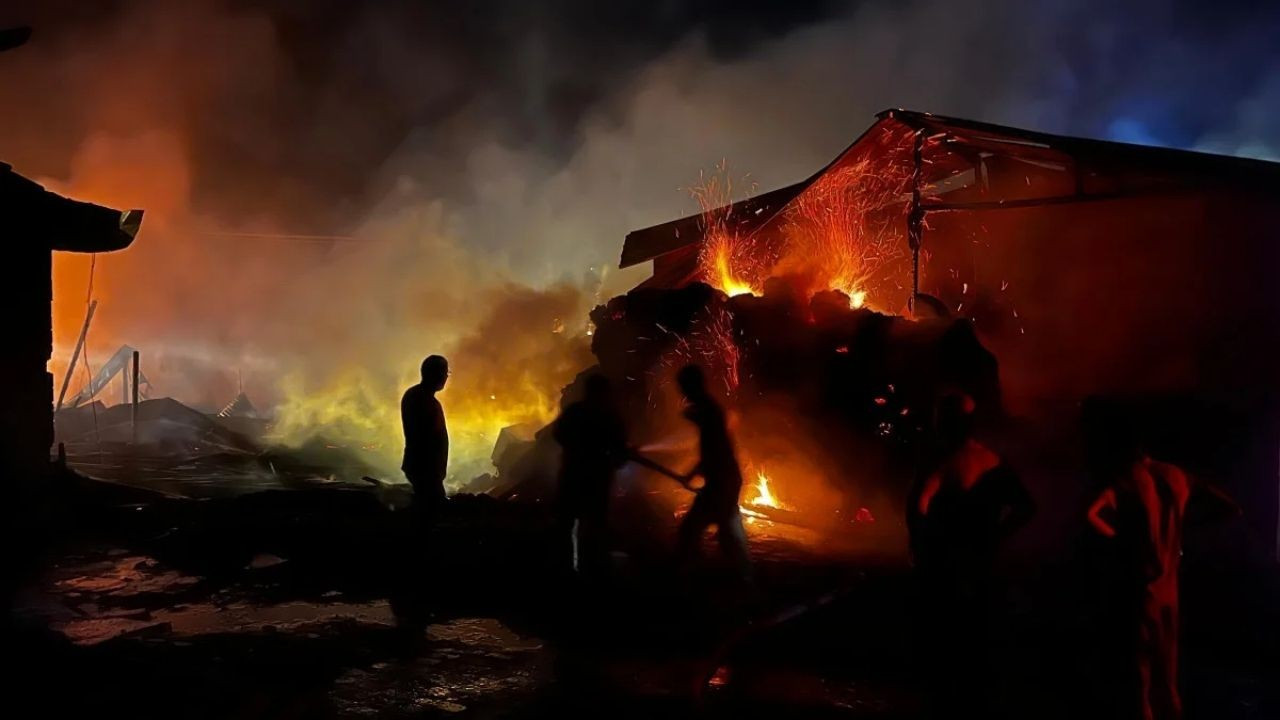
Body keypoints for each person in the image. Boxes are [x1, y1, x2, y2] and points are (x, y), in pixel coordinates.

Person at [1083, 401, 1239, 720]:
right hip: (1171, 584)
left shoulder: (1127, 478)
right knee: (1168, 666)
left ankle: (1147, 712)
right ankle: (1172, 705)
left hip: (1143, 583)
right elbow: (1231, 508)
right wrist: (1185, 526)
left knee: (1141, 666)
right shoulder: (1178, 475)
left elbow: (1091, 514)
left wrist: (1118, 538)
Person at [907, 392, 1034, 713]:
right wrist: (997, 536)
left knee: (945, 656)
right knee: (981, 653)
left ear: (945, 422)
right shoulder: (994, 461)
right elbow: (1027, 507)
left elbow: (919, 506)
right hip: (985, 568)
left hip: (947, 571)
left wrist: (923, 543)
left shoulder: (943, 462)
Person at [673, 364, 752, 580]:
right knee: (727, 532)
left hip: (721, 482)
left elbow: (713, 453)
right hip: (725, 480)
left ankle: (693, 575)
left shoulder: (708, 412)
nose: (681, 392)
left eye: (683, 387)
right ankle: (743, 579)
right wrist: (692, 474)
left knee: (690, 530)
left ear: (691, 386)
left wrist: (691, 475)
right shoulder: (707, 409)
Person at [552, 373, 628, 580]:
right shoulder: (611, 417)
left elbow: (558, 435)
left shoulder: (575, 412)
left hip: (572, 477)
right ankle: (593, 572)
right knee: (594, 526)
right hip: (597, 482)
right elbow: (621, 455)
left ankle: (566, 571)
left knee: (566, 526)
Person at [401, 355, 450, 518]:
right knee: (430, 512)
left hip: (422, 467)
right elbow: (429, 439)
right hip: (425, 469)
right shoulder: (424, 400)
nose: (446, 377)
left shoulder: (414, 395)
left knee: (425, 510)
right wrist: (436, 470)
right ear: (433, 373)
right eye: (444, 372)